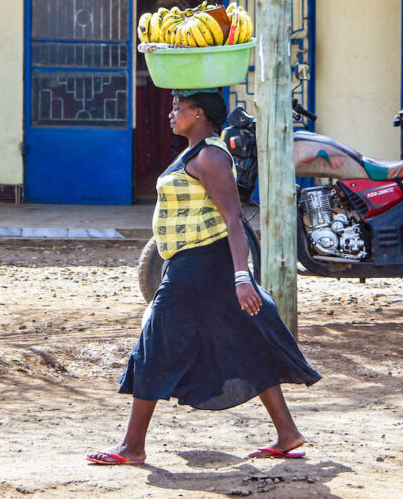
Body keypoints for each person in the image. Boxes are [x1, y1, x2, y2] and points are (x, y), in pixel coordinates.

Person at [87, 90, 321, 466]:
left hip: (202, 265)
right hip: (194, 262)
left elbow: (234, 219)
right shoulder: (193, 154)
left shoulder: (210, 156)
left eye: (178, 108)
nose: (171, 114)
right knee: (247, 341)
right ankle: (288, 434)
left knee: (155, 342)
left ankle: (132, 446)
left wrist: (242, 277)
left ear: (198, 114)